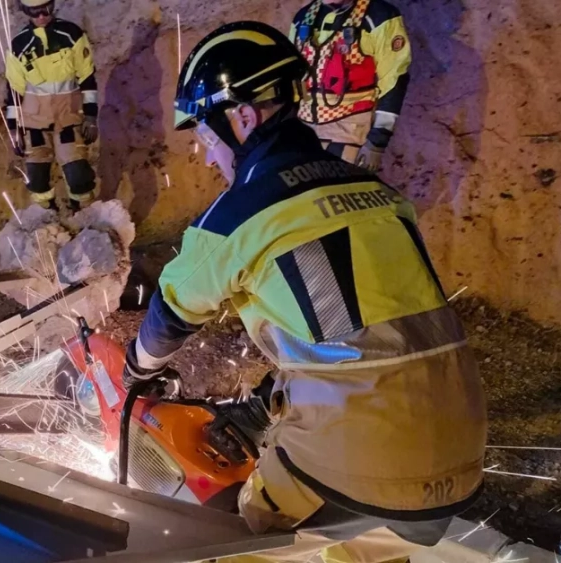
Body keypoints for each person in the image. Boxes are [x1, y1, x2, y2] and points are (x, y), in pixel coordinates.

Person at [123, 21, 486, 563]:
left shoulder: (243, 211)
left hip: (361, 454)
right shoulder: (373, 192)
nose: (207, 154)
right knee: (368, 546)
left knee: (231, 536)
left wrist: (137, 369)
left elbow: (170, 316)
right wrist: (264, 403)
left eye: (205, 136)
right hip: (461, 452)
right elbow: (357, 334)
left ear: (242, 117)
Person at [290, 0, 412, 171]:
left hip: (349, 132)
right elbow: (295, 77)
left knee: (340, 192)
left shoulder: (378, 17)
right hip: (302, 131)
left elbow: (394, 79)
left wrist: (378, 140)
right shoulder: (303, 18)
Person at [4, 0, 98, 211]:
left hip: (68, 119)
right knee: (37, 180)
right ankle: (47, 223)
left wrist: (91, 116)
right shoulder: (18, 45)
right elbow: (13, 91)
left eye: (45, 10)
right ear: (24, 11)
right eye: (34, 12)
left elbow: (87, 78)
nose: (41, 17)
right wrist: (13, 128)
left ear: (52, 6)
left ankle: (84, 220)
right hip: (34, 123)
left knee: (78, 175)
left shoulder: (71, 34)